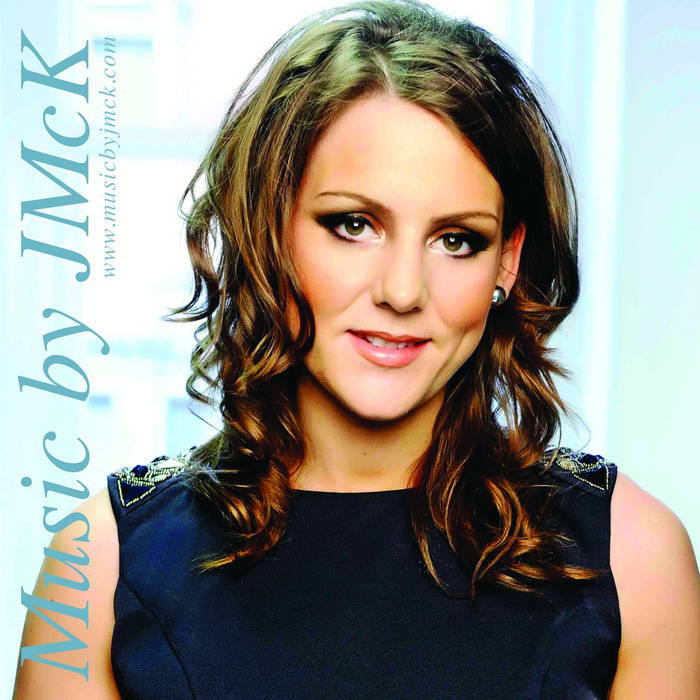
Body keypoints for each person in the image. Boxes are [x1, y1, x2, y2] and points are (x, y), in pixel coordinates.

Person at [14, 1, 700, 697]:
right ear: (268, 230)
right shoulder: (98, 568)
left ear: (507, 260)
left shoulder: (632, 558)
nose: (402, 291)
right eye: (352, 224)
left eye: (456, 240)